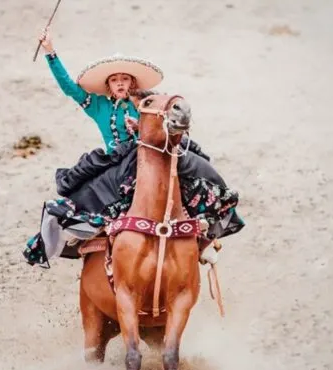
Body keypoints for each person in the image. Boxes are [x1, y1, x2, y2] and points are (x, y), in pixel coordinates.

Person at [22, 27, 244, 268]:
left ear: (132, 83)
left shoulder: (146, 101)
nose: (120, 83)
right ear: (108, 85)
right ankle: (89, 235)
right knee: (86, 194)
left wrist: (140, 128)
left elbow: (167, 124)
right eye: (115, 80)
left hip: (150, 152)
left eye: (124, 79)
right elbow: (69, 88)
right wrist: (50, 52)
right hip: (117, 162)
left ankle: (202, 237)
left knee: (191, 168)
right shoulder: (97, 106)